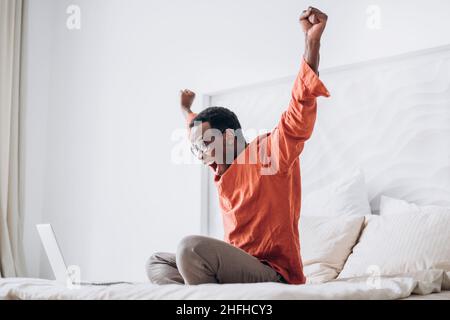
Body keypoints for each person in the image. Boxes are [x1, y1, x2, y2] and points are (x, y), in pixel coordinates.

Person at [146, 6, 330, 285]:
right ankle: (206, 295)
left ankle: (206, 298)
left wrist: (311, 42)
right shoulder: (221, 165)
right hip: (234, 266)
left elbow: (298, 111)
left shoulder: (269, 153)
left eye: (206, 145)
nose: (201, 155)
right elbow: (201, 131)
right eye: (197, 149)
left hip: (272, 272)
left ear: (230, 137)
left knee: (190, 248)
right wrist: (187, 111)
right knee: (157, 263)